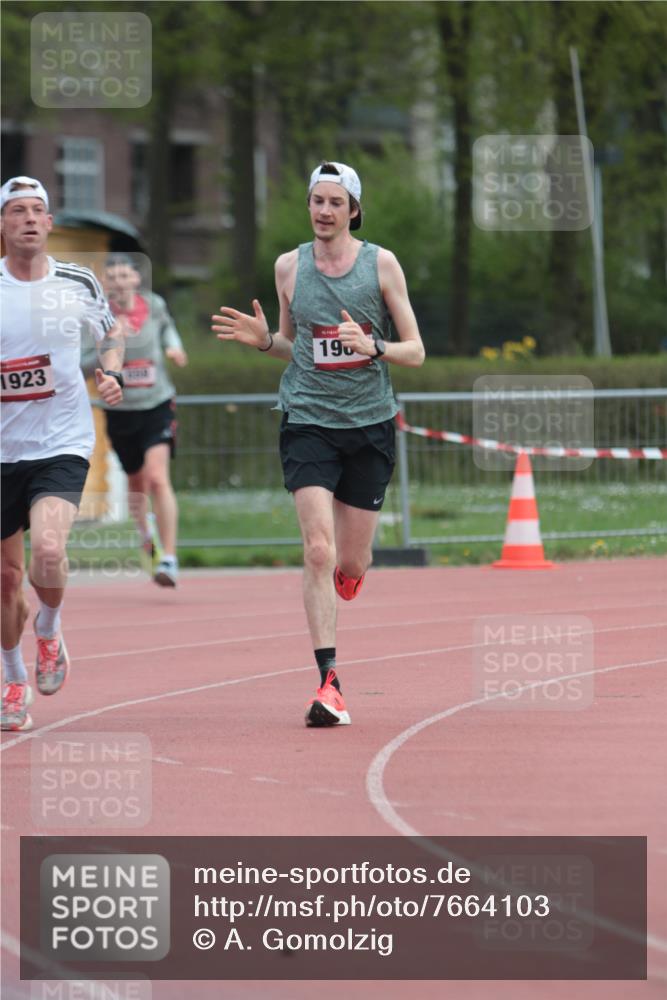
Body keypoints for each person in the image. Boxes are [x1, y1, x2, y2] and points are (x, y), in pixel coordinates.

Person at [212, 161, 425, 727]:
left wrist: (372, 344)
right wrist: (266, 342)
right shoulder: (289, 267)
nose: (324, 211)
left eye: (335, 202)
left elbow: (416, 351)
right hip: (306, 418)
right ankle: (329, 682)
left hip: (369, 424)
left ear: (353, 209)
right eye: (316, 201)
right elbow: (294, 344)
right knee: (317, 550)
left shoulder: (381, 264)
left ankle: (351, 575)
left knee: (350, 561)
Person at [1, 176, 125, 732]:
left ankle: (48, 632)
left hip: (61, 444)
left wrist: (112, 370)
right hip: (3, 451)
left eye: (38, 211)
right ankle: (12, 677)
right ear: (3, 224)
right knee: (6, 582)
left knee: (48, 551)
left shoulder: (77, 281)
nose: (29, 219)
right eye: (17, 211)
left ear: (49, 224)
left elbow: (111, 332)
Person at [81, 254, 187, 587]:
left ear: (135, 280)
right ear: (105, 284)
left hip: (156, 403)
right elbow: (82, 365)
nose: (117, 282)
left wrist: (174, 348)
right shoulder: (98, 317)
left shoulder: (153, 304)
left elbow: (168, 329)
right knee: (137, 482)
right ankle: (146, 533)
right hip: (120, 410)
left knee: (157, 477)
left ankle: (169, 558)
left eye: (123, 275)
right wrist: (114, 345)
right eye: (110, 277)